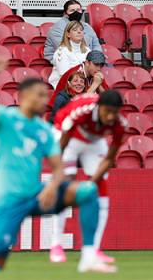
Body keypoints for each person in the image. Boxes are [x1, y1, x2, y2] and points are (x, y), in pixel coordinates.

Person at [0, 59, 114, 274]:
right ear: (24, 97)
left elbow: (58, 166)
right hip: (9, 201)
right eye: (40, 95)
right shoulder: (6, 118)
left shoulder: (43, 129)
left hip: (36, 195)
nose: (45, 100)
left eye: (45, 95)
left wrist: (54, 186)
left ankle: (89, 256)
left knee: (88, 192)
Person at [48, 91, 126, 264]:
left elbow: (109, 159)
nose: (110, 116)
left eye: (115, 112)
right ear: (99, 108)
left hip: (93, 141)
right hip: (67, 136)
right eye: (107, 111)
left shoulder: (120, 124)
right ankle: (56, 245)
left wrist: (91, 183)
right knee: (65, 187)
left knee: (101, 191)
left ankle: (94, 249)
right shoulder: (82, 111)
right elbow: (63, 141)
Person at [49, 50, 109, 116]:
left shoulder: (96, 74)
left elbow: (108, 99)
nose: (99, 69)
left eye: (101, 66)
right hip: (60, 110)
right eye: (96, 65)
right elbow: (80, 102)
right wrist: (95, 85)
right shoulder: (75, 74)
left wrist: (99, 85)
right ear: (87, 63)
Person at [48, 21, 90, 88]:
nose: (79, 32)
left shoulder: (87, 50)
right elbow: (64, 75)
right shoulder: (61, 51)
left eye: (81, 30)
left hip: (82, 85)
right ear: (68, 34)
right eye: (75, 30)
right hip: (64, 87)